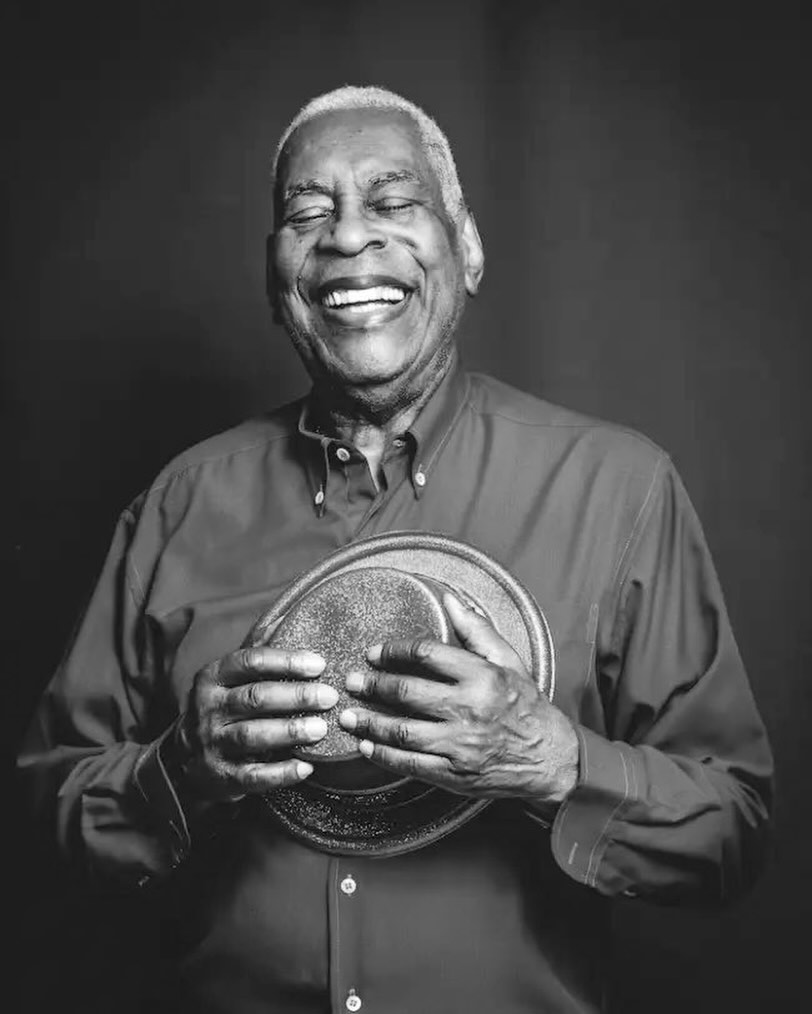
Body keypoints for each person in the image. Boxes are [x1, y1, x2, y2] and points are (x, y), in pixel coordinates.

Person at [18, 85, 773, 1014]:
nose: (347, 237)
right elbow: (47, 809)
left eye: (392, 202)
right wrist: (178, 771)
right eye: (308, 214)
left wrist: (553, 764)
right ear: (276, 277)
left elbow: (731, 831)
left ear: (468, 249)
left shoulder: (619, 487)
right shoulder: (180, 503)